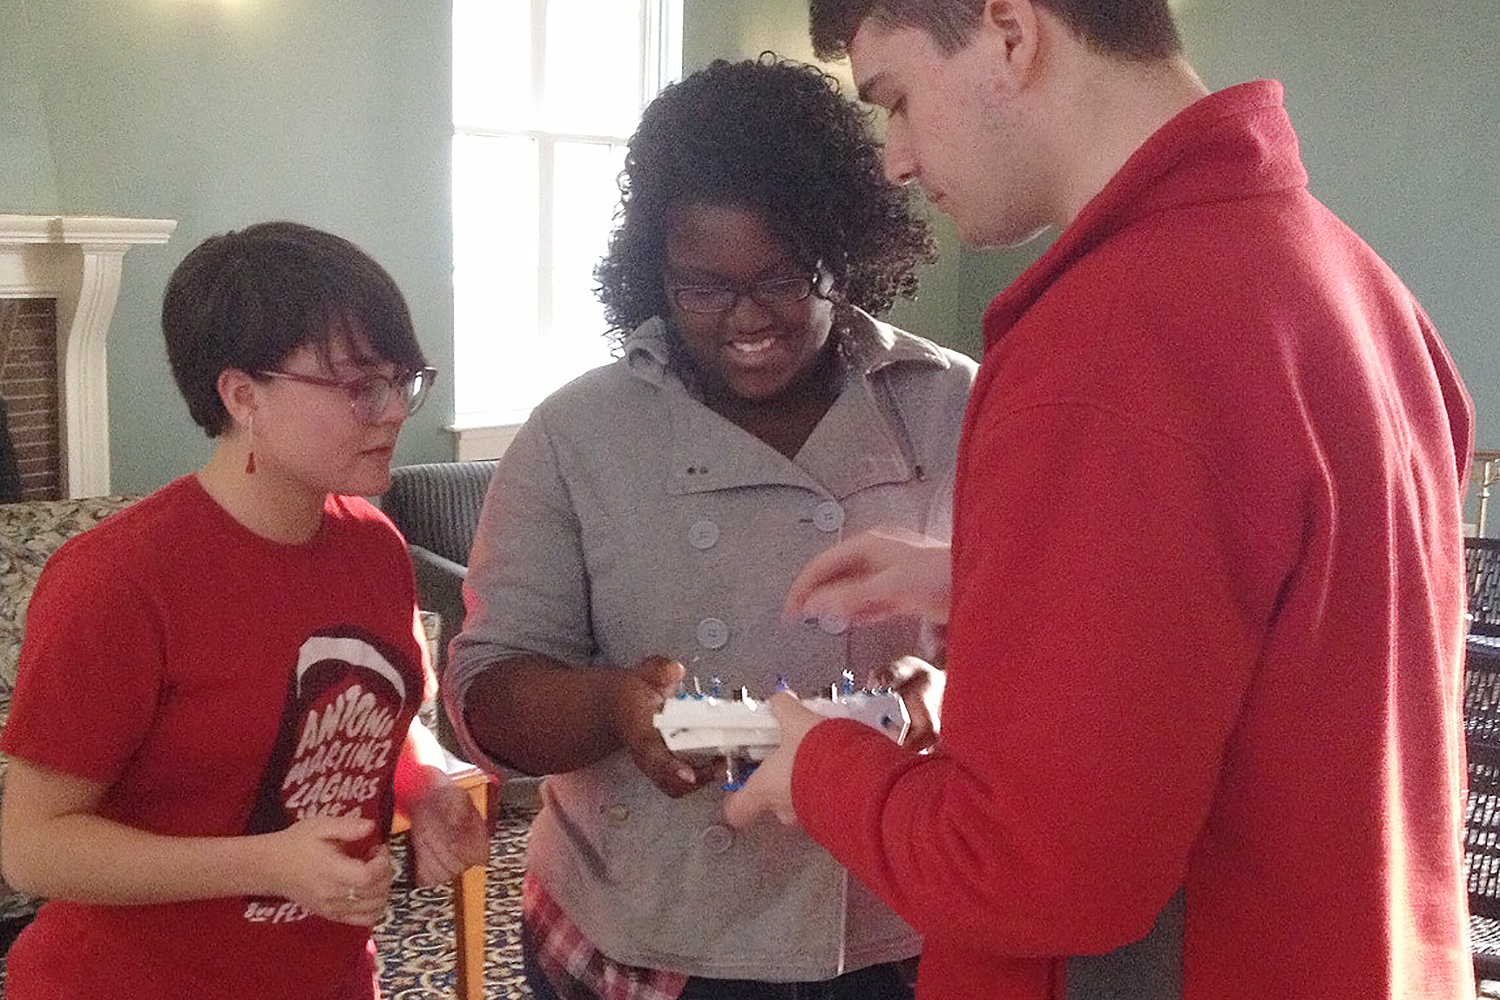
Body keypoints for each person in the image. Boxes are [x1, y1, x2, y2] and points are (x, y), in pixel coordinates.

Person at [722, 3, 1477, 999]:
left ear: (1009, 30)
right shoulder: (1355, 284)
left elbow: (1032, 873)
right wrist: (985, 580)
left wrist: (818, 764)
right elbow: (1289, 613)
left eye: (898, 99)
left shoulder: (1113, 339)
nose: (897, 158)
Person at [444, 56, 976, 1000]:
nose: (745, 321)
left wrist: (948, 686)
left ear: (842, 252)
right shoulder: (579, 433)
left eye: (780, 279)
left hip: (891, 910)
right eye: (701, 287)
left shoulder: (951, 404)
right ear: (654, 273)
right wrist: (616, 708)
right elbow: (487, 694)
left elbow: (1050, 636)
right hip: (656, 928)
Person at [0, 221, 490, 999]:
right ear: (242, 395)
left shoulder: (374, 548)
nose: (394, 409)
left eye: (404, 380)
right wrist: (265, 862)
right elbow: (30, 847)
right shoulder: (119, 581)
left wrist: (426, 789)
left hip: (327, 978)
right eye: (361, 385)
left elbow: (374, 729)